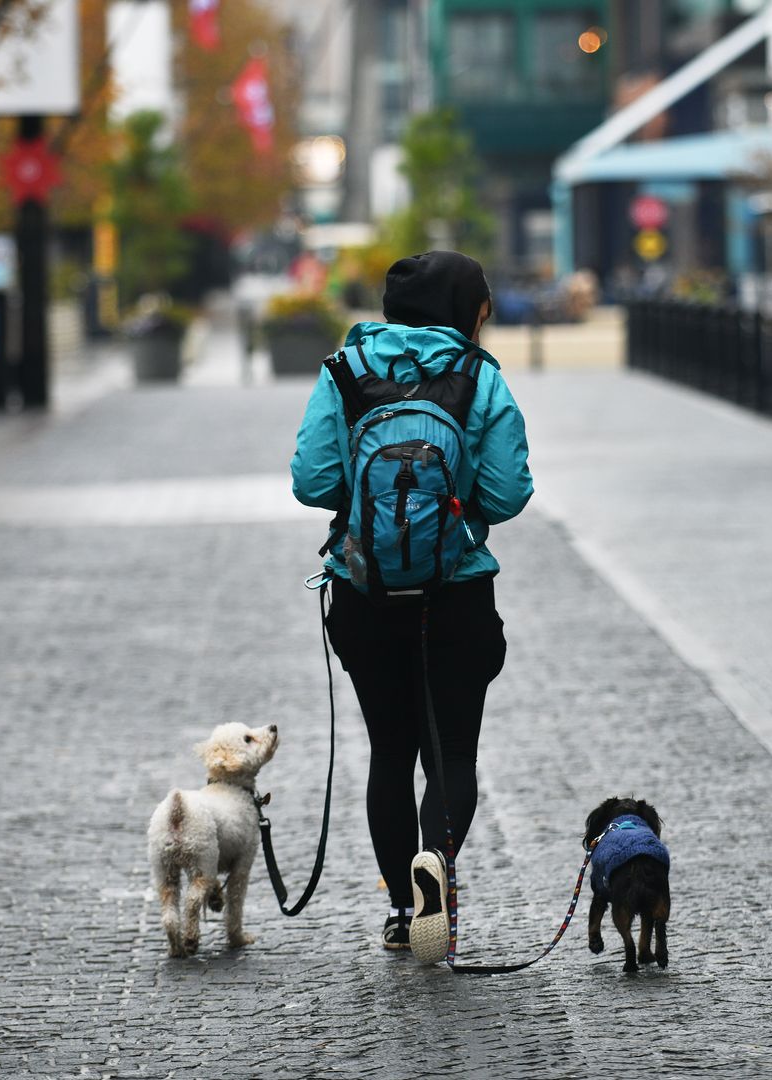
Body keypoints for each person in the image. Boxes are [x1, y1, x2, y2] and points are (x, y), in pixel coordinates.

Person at [289, 250, 533, 964]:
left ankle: (401, 906)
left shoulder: (344, 371)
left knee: (390, 753)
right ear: (466, 308)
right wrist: (451, 511)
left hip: (366, 595)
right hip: (455, 591)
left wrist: (371, 511)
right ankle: (438, 869)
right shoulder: (480, 377)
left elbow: (313, 481)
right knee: (451, 750)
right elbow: (509, 492)